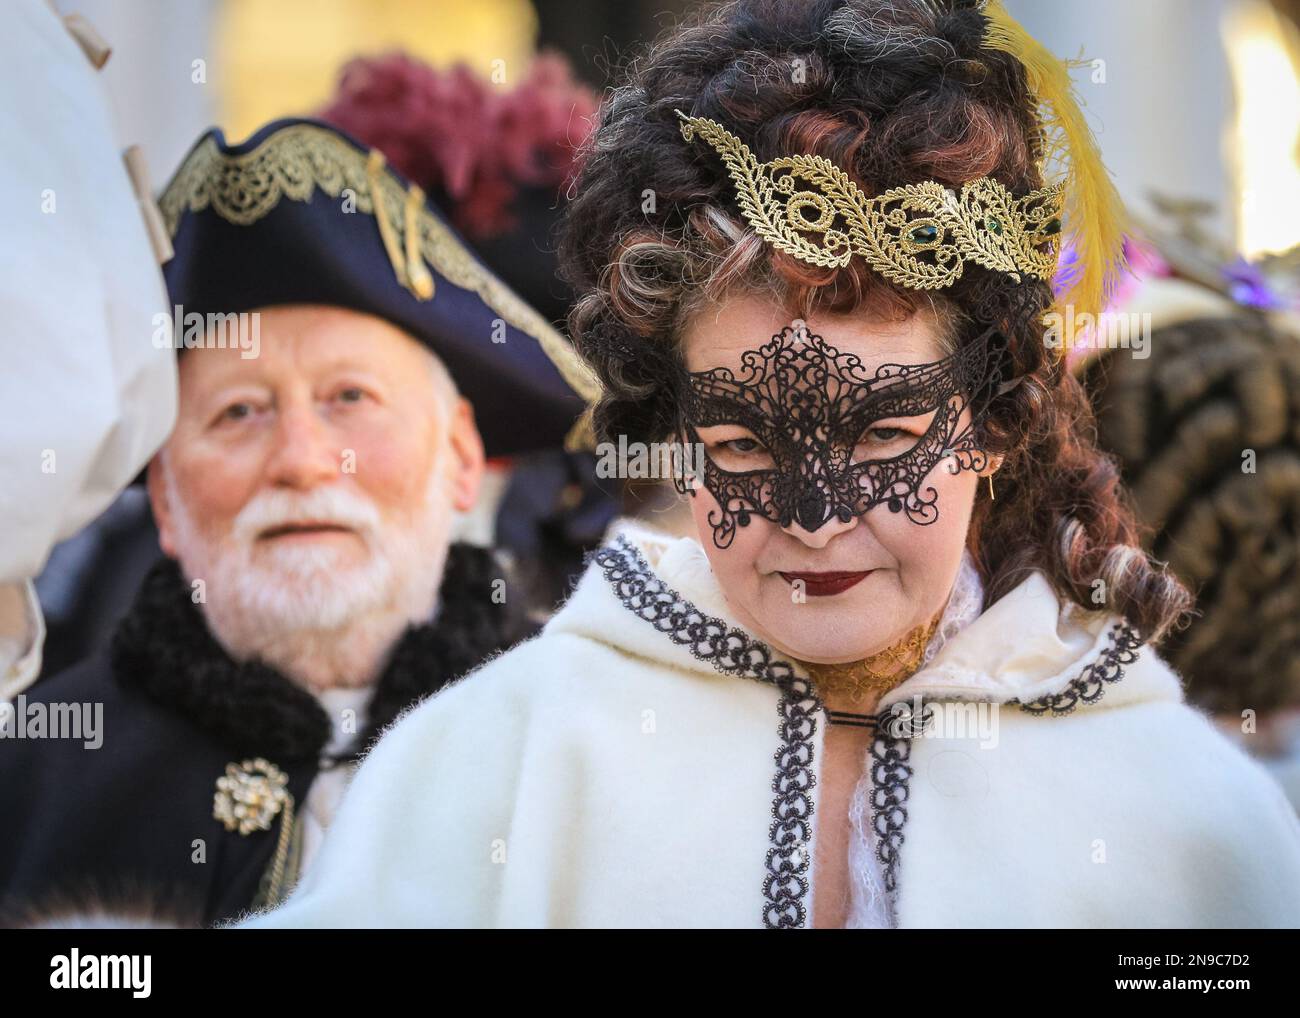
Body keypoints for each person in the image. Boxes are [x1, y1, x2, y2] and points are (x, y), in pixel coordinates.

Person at [240, 0, 1300, 929]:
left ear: (993, 422)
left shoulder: (1171, 809)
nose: (810, 513)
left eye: (883, 433)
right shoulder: (501, 763)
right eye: (744, 442)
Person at [0, 117, 596, 926]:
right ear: (167, 502)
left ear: (459, 457)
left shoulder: (580, 745)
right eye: (239, 411)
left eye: (350, 398)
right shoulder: (29, 780)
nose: (303, 460)